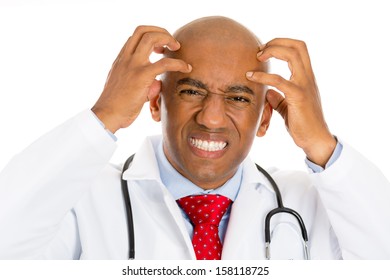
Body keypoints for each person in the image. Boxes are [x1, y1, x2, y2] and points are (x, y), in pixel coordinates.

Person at [0, 16, 389, 260]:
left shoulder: (314, 202)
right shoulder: (82, 196)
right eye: (191, 91)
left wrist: (321, 145)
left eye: (238, 97)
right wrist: (105, 117)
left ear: (265, 117)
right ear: (156, 103)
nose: (212, 117)